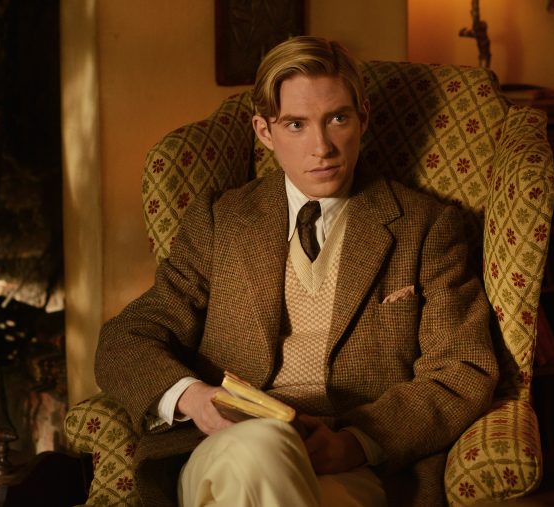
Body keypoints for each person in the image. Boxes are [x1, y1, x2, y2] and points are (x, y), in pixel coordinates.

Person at [95, 36, 498, 507]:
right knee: (255, 453)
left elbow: (461, 369)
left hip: (349, 465)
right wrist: (195, 399)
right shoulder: (221, 221)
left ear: (363, 118)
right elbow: (125, 339)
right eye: (296, 124)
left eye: (338, 119)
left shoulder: (426, 227)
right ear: (265, 131)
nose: (321, 147)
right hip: (223, 452)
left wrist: (354, 442)